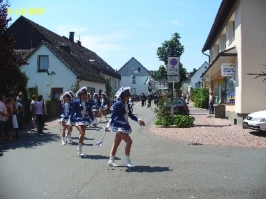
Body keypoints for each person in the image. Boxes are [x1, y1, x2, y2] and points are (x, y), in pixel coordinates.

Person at [105, 87, 145, 167]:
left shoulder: (126, 104)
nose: (128, 97)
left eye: (129, 96)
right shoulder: (118, 104)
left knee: (116, 143)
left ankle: (111, 160)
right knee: (129, 141)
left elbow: (130, 115)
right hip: (119, 125)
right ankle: (127, 161)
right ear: (123, 96)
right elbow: (113, 115)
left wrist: (138, 119)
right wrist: (108, 125)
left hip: (124, 124)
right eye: (127, 96)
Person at [68, 87, 97, 156]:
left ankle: (80, 147)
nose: (85, 96)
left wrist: (93, 120)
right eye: (83, 95)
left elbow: (90, 112)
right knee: (82, 132)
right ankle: (79, 149)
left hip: (85, 119)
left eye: (85, 95)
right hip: (77, 119)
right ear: (80, 95)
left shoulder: (87, 103)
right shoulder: (76, 102)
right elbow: (72, 112)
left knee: (83, 134)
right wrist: (70, 119)